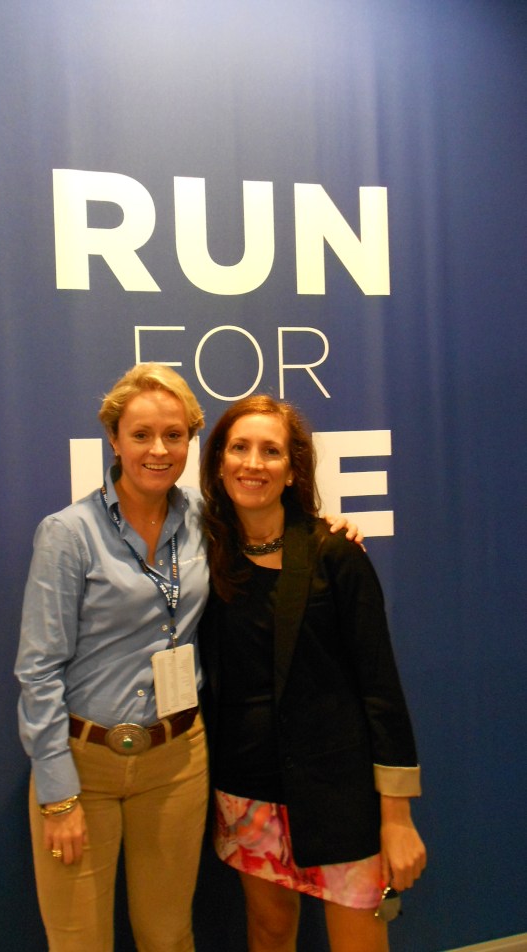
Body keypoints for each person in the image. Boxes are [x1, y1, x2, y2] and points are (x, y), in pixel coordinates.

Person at [15, 365, 362, 952]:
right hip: (85, 765)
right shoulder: (68, 534)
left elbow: (278, 530)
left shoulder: (206, 522)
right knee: (79, 941)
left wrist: (329, 527)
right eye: (142, 434)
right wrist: (59, 793)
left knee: (170, 936)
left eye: (174, 436)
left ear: (191, 442)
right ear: (114, 440)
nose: (158, 450)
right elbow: (39, 669)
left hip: (178, 759)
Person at [198, 395, 426, 952]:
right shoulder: (204, 554)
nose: (253, 463)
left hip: (338, 792)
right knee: (270, 931)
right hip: (247, 789)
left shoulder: (335, 554)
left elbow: (381, 688)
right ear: (219, 463)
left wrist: (396, 819)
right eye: (239, 448)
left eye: (270, 451)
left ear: (292, 468)